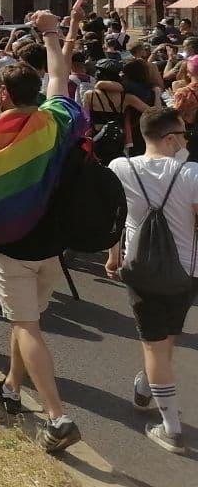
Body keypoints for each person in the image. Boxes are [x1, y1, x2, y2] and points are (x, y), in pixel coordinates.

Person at [0, 4, 86, 454]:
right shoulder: (54, 121)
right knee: (26, 322)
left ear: (2, 96)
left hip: (13, 246)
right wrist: (53, 35)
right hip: (51, 244)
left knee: (27, 326)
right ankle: (11, 388)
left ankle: (58, 417)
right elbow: (59, 80)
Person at [105, 107, 198, 455]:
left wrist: (112, 255)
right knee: (165, 339)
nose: (186, 139)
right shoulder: (192, 174)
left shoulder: (121, 168)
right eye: (183, 134)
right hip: (187, 271)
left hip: (140, 268)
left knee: (155, 343)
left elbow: (115, 218)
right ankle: (167, 419)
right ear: (171, 137)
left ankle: (165, 416)